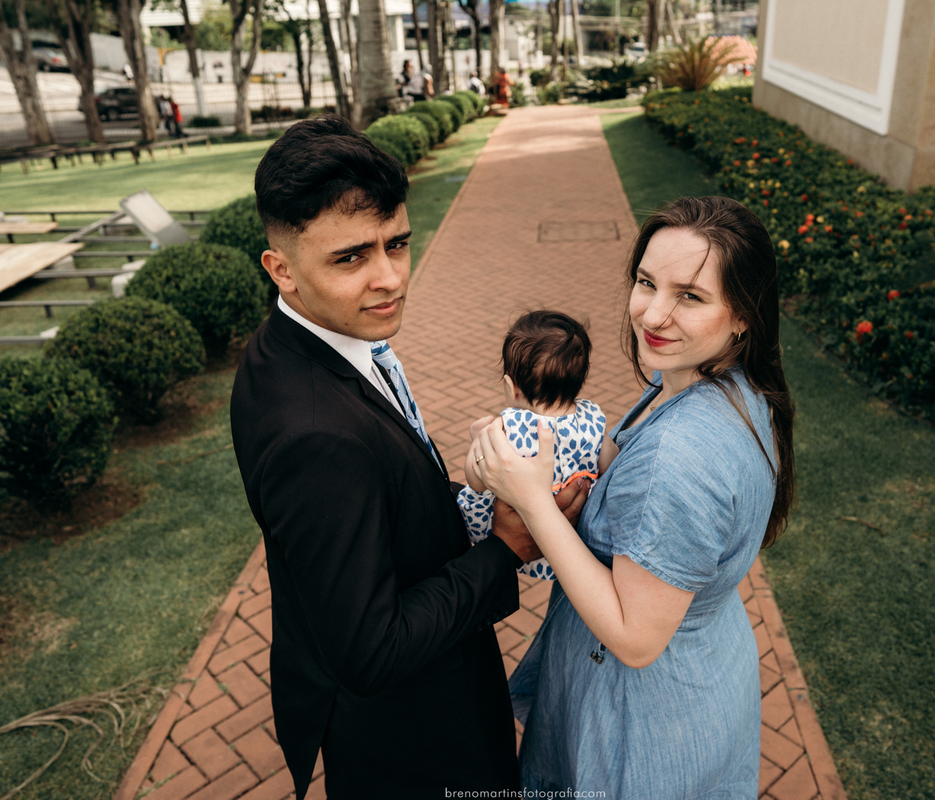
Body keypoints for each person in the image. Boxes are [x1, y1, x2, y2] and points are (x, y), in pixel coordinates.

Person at [230, 115, 589, 800]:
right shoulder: (314, 436)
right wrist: (505, 548)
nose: (390, 278)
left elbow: (370, 498)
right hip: (414, 736)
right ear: (281, 269)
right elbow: (371, 651)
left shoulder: (294, 342)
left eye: (398, 243)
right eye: (351, 258)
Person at [470, 196, 797, 798]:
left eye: (690, 296)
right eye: (646, 282)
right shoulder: (716, 384)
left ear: (743, 315)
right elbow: (626, 477)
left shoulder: (681, 455)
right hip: (704, 675)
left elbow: (634, 638)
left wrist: (532, 503)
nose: (653, 313)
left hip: (639, 724)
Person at [458, 311, 609, 581]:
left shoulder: (509, 427)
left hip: (517, 528)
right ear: (579, 382)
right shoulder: (592, 420)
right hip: (570, 537)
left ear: (511, 387)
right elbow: (611, 466)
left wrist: (477, 438)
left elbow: (477, 481)